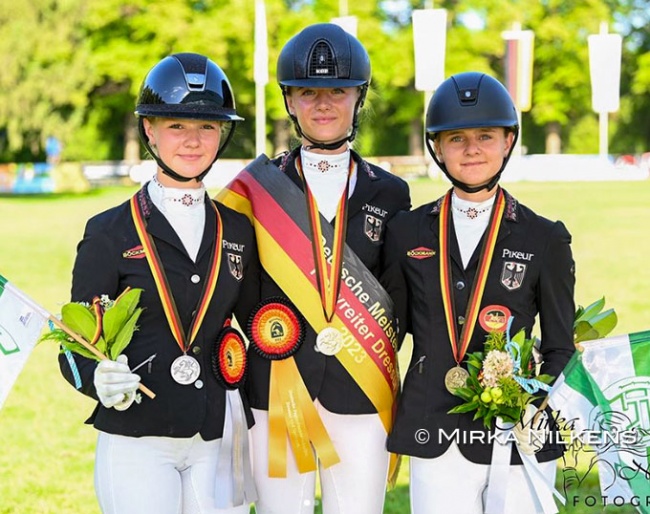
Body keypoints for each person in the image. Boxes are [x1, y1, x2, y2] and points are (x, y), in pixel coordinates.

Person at [218, 23, 411, 514]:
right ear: (289, 101)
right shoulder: (255, 188)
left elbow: (398, 295)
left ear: (358, 97)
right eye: (308, 92)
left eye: (338, 91)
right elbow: (239, 289)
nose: (323, 104)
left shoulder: (391, 192)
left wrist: (368, 352)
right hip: (276, 386)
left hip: (360, 384)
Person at [58, 53, 259, 514]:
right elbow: (72, 345)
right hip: (137, 434)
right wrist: (97, 380)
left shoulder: (238, 230)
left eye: (207, 127)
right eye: (177, 126)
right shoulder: (109, 231)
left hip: (215, 432)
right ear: (149, 130)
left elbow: (257, 322)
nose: (193, 141)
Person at [380, 72, 575, 513]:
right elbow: (389, 332)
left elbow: (562, 346)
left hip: (519, 432)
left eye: (485, 136)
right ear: (437, 148)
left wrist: (526, 401)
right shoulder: (405, 231)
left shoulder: (546, 239)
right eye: (456, 138)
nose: (471, 149)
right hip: (435, 428)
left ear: (508, 142)